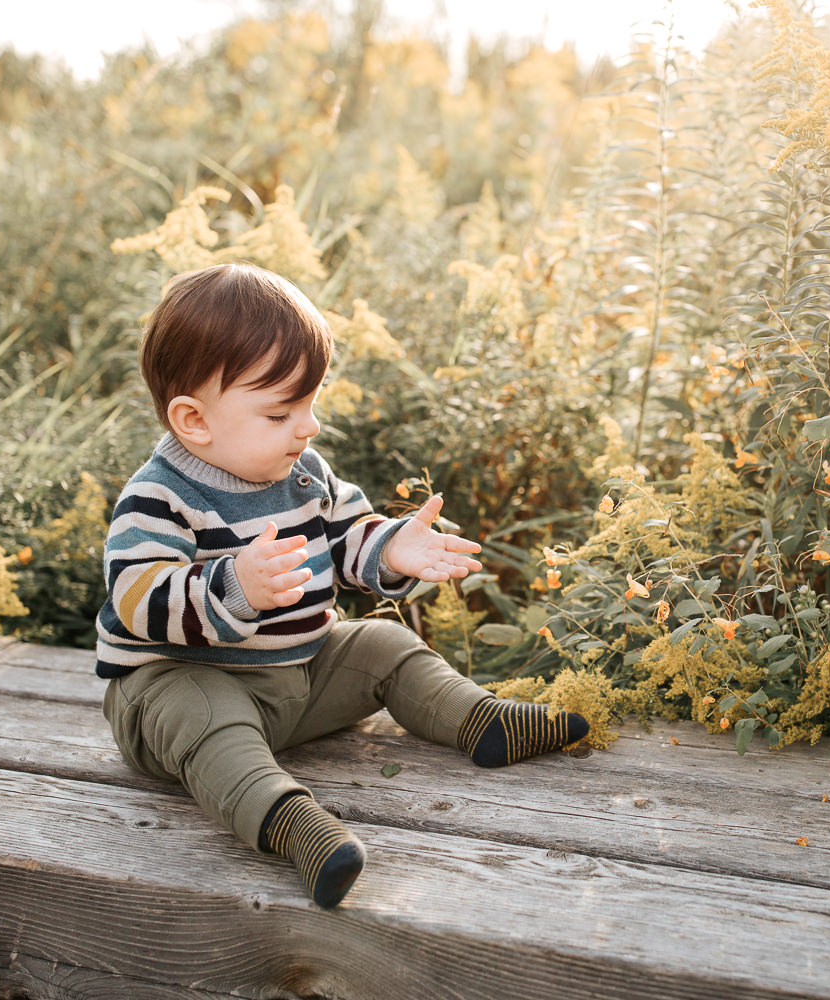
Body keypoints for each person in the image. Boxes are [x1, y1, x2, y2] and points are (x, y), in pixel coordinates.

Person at [95, 261, 588, 909]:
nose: (308, 427)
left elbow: (347, 537)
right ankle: (291, 822)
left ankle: (480, 720)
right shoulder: (158, 499)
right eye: (280, 412)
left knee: (382, 642)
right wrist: (232, 587)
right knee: (204, 713)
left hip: (295, 680)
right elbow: (138, 600)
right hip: (178, 686)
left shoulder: (304, 474)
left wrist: (392, 549)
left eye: (310, 403)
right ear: (194, 421)